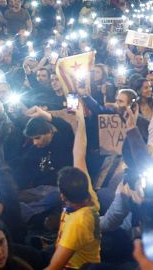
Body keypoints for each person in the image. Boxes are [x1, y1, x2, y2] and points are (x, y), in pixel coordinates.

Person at [45, 102, 101, 269]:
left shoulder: (78, 222)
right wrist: (80, 119)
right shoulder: (89, 197)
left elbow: (54, 267)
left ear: (63, 196)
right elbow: (79, 154)